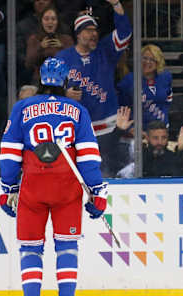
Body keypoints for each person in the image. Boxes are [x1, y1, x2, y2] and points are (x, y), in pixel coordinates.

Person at [0, 57, 107, 296]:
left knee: (31, 247)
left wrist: (7, 188)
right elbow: (88, 156)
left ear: (40, 80)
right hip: (66, 188)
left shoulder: (21, 108)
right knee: (67, 246)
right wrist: (97, 191)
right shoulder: (77, 110)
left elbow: (10, 153)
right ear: (65, 82)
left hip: (32, 188)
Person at [56, 0, 131, 176]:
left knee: (106, 176)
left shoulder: (105, 51)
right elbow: (49, 90)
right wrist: (64, 93)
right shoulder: (63, 57)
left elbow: (124, 33)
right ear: (78, 34)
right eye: (89, 30)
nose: (94, 34)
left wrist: (117, 5)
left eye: (95, 30)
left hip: (110, 127)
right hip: (79, 130)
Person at [117, 44, 173, 131]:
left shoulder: (165, 77)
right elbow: (121, 108)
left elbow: (167, 102)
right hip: (138, 131)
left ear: (158, 62)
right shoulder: (129, 80)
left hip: (160, 130)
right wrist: (130, 129)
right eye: (144, 58)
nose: (147, 62)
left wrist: (164, 122)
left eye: (152, 59)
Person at [25, 7, 74, 84]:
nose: (50, 22)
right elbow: (28, 63)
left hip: (63, 79)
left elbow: (74, 62)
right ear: (41, 21)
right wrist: (40, 47)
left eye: (53, 19)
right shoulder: (34, 39)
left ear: (58, 22)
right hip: (39, 80)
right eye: (46, 19)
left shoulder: (67, 39)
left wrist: (62, 48)